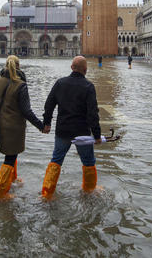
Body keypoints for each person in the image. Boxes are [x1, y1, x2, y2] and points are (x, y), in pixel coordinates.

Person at [40, 56, 101, 199]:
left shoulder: (60, 83)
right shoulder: (88, 86)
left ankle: (47, 193)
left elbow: (49, 105)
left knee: (56, 160)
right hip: (82, 133)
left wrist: (47, 123)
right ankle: (89, 190)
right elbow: (93, 114)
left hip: (63, 130)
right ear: (85, 70)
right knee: (88, 162)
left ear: (71, 67)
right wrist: (97, 135)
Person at [0, 55, 47, 199]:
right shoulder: (20, 84)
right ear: (19, 66)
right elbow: (26, 111)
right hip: (14, 128)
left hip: (0, 125)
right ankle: (0, 193)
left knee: (11, 154)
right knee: (9, 158)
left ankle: (12, 180)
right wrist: (41, 125)